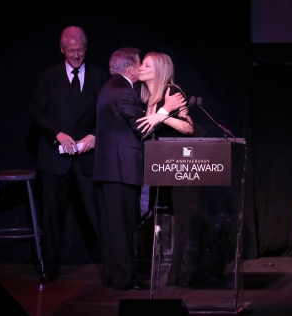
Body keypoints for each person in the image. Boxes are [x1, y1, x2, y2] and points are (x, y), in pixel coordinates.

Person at [93, 48, 185, 291]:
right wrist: (165, 111)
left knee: (113, 227)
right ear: (131, 68)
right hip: (121, 171)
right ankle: (125, 280)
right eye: (139, 64)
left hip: (107, 171)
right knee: (123, 227)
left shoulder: (108, 87)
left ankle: (113, 276)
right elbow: (142, 129)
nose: (141, 68)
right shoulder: (125, 92)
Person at [28, 26, 108, 282]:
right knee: (53, 216)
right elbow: (36, 113)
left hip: (88, 159)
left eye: (80, 50)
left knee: (98, 213)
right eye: (71, 51)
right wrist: (57, 134)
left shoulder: (98, 76)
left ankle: (111, 267)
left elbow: (107, 113)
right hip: (56, 158)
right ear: (62, 49)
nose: (76, 55)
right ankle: (50, 266)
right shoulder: (48, 76)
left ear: (86, 48)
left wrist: (95, 134)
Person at [136, 52, 219, 288]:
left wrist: (163, 118)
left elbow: (189, 127)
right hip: (163, 167)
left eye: (146, 65)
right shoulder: (148, 98)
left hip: (182, 168)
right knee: (170, 218)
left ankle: (189, 274)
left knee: (187, 219)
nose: (140, 68)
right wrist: (157, 115)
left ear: (159, 70)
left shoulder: (172, 92)